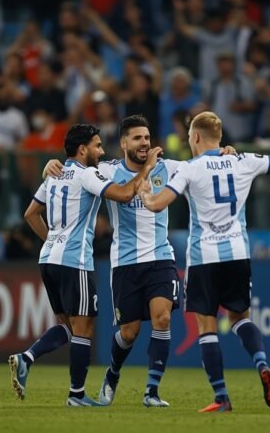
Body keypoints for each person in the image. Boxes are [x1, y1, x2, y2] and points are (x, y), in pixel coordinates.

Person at [139, 94, 270, 412]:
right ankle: (262, 364)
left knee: (207, 327)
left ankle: (221, 397)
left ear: (194, 137)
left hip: (204, 257)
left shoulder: (190, 169)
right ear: (220, 138)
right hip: (238, 253)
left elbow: (154, 205)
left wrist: (144, 186)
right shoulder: (242, 160)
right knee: (240, 318)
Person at [42, 116, 235, 407]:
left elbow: (203, 167)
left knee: (162, 317)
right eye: (137, 138)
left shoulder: (168, 167)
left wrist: (223, 153)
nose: (144, 143)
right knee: (129, 333)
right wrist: (50, 165)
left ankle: (152, 391)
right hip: (124, 264)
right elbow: (75, 166)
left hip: (160, 257)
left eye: (147, 137)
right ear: (123, 143)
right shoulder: (106, 169)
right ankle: (113, 372)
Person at [10, 124, 160, 407]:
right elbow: (126, 194)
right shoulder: (86, 174)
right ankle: (76, 395)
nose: (102, 151)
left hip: (49, 258)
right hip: (74, 261)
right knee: (85, 326)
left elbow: (30, 213)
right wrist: (147, 168)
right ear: (83, 149)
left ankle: (26, 358)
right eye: (98, 145)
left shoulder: (54, 173)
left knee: (67, 326)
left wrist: (53, 240)